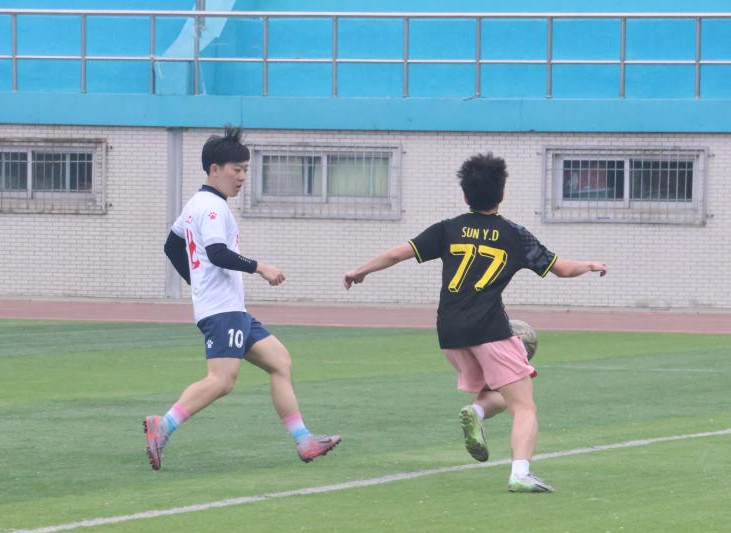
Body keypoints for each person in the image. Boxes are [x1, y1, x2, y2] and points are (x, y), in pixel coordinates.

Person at [343, 152, 606, 493]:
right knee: (524, 407)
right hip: (490, 331)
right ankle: (520, 473)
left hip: (449, 334)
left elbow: (397, 253)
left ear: (465, 196)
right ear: (502, 193)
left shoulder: (448, 229)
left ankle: (477, 413)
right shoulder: (515, 235)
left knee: (499, 393)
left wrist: (359, 271)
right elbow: (562, 269)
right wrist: (589, 265)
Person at [145, 127, 340, 471]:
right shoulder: (213, 208)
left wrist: (198, 283)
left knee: (279, 361)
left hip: (231, 309)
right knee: (222, 380)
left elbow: (172, 246)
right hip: (222, 310)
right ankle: (163, 425)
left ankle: (304, 440)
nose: (242, 177)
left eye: (246, 170)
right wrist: (259, 267)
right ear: (214, 169)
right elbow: (218, 253)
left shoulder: (196, 204)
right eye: (237, 170)